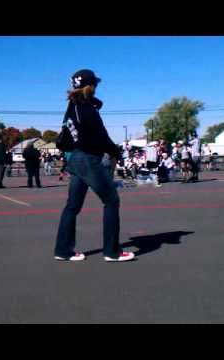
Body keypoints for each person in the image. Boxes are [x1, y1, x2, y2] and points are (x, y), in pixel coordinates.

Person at [54, 69, 135, 262]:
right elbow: (101, 137)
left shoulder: (73, 106)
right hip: (89, 159)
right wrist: (116, 152)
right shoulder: (87, 108)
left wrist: (95, 104)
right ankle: (112, 252)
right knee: (111, 201)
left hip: (76, 159)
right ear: (91, 86)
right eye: (95, 85)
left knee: (72, 206)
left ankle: (63, 250)